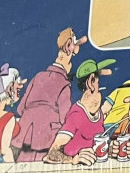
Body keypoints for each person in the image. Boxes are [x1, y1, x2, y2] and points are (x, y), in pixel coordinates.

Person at [14, 28, 85, 161]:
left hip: (26, 136)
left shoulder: (38, 77)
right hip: (47, 140)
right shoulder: (64, 84)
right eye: (70, 63)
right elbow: (65, 119)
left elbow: (20, 108)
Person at [44, 58, 115, 165]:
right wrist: (73, 159)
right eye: (97, 81)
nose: (99, 86)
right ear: (90, 82)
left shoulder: (99, 114)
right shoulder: (76, 115)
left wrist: (111, 149)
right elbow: (52, 154)